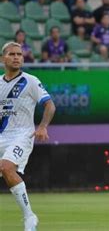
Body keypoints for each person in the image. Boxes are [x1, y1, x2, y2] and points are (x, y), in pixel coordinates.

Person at [0, 42, 56, 231]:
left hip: (22, 135)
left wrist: (42, 126)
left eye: (19, 54)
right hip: (1, 136)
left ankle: (29, 217)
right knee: (6, 172)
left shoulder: (30, 81)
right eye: (12, 54)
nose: (16, 57)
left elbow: (50, 105)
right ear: (3, 59)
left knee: (7, 167)